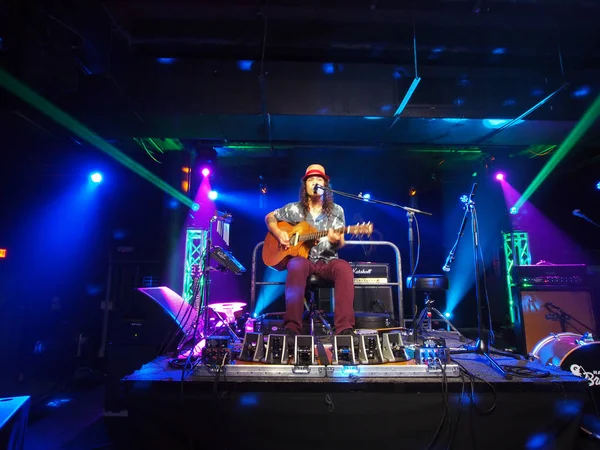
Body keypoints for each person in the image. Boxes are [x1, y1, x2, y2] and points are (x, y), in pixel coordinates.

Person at [264, 164, 355, 336]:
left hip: (327, 261)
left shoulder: (336, 211)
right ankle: (292, 328)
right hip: (304, 260)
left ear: (325, 185)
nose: (315, 182)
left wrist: (337, 241)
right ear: (305, 185)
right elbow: (270, 217)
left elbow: (341, 242)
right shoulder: (293, 209)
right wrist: (279, 233)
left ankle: (344, 329)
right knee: (296, 265)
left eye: (319, 179)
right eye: (311, 179)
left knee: (344, 268)